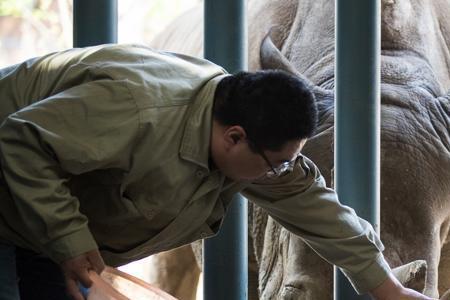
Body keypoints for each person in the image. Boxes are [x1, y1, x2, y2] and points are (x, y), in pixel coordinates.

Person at [0, 44, 434, 300]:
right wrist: (69, 238)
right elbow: (20, 140)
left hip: (41, 228)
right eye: (276, 162)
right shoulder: (140, 108)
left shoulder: (240, 130)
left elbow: (310, 200)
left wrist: (387, 288)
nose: (280, 173)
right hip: (14, 203)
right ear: (234, 137)